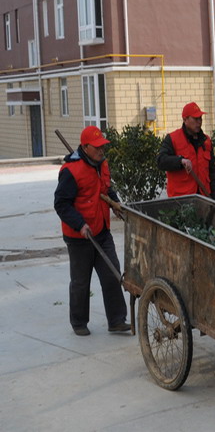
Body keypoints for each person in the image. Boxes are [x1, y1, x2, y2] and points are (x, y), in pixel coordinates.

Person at [54, 126, 130, 336]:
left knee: (112, 274)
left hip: (102, 230)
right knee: (81, 282)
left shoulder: (102, 164)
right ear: (85, 147)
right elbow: (61, 204)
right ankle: (79, 322)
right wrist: (80, 224)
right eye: (96, 148)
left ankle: (117, 320)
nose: (101, 151)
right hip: (79, 235)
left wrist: (115, 203)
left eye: (102, 146)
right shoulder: (71, 171)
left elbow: (106, 188)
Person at [157, 101, 215, 201]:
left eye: (200, 118)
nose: (199, 122)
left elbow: (212, 173)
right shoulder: (173, 139)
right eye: (195, 118)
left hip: (204, 198)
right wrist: (180, 161)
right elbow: (161, 161)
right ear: (185, 119)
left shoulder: (207, 141)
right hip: (181, 199)